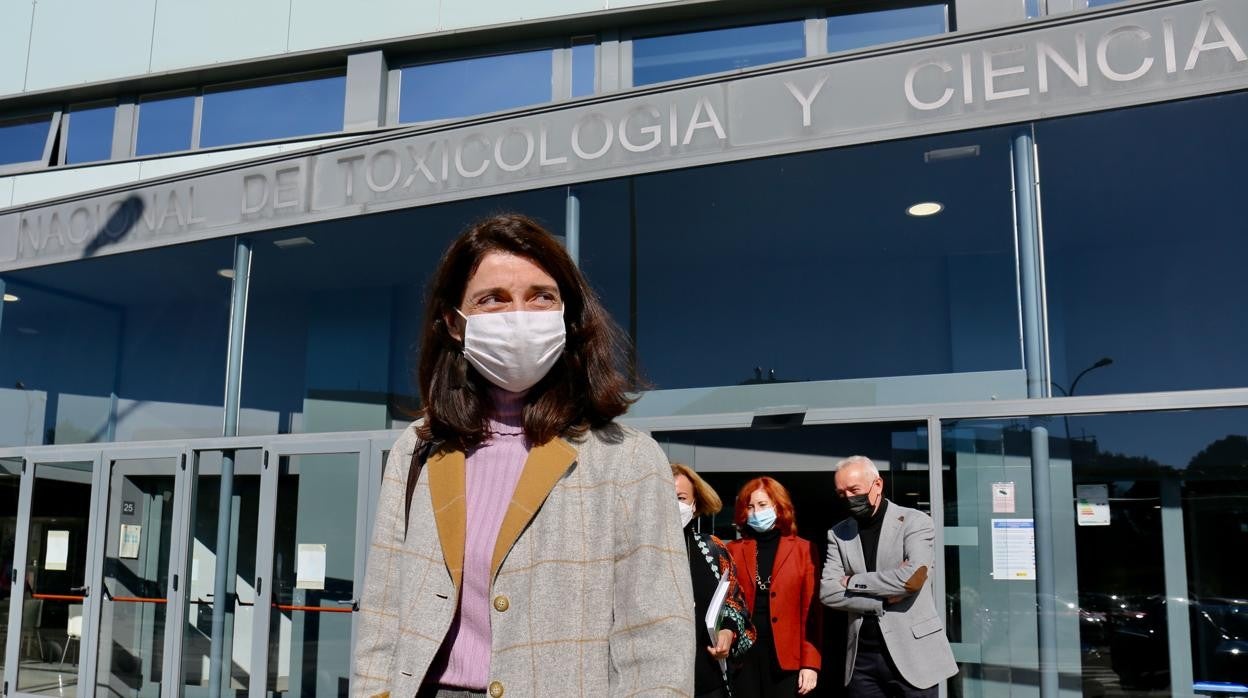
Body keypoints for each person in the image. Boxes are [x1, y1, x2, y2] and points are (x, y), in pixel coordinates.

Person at [352, 213, 694, 698]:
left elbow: (655, 637)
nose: (519, 314)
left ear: (567, 316)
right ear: (454, 323)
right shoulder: (420, 446)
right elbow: (384, 614)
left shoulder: (628, 459)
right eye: (493, 299)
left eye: (541, 296)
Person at [819, 456, 957, 698]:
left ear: (878, 485)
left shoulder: (915, 521)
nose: (849, 499)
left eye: (855, 490)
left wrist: (852, 582)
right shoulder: (839, 533)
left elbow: (912, 579)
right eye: (842, 494)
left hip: (914, 655)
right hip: (862, 660)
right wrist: (880, 601)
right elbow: (828, 592)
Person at [726, 477, 821, 697]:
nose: (756, 512)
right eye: (750, 506)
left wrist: (811, 663)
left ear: (778, 507)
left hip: (787, 659)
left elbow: (811, 612)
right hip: (744, 657)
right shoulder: (733, 550)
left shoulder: (803, 550)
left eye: (762, 505)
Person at [672, 463, 756, 698]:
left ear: (694, 503)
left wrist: (728, 632)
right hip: (655, 681)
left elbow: (734, 603)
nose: (673, 505)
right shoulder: (633, 552)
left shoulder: (713, 548)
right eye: (664, 496)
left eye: (680, 497)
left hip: (708, 678)